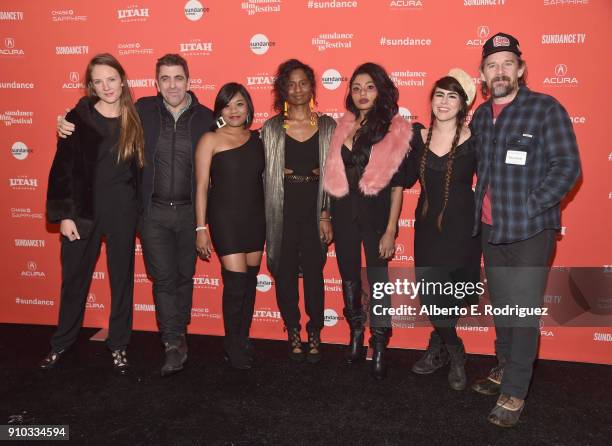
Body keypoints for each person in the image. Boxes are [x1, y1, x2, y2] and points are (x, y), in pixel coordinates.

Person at [56, 54, 214, 377]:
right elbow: (94, 112)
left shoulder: (206, 118)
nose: (172, 85)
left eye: (178, 78)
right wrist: (67, 120)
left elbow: (232, 135)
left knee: (183, 278)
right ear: (156, 83)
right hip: (152, 212)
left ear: (189, 80)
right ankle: (171, 342)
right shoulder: (142, 110)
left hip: (187, 213)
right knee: (164, 280)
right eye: (165, 79)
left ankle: (176, 334)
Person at [470, 32, 581, 427]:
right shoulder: (481, 116)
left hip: (531, 230)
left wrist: (531, 206)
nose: (499, 71)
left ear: (520, 68)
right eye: (491, 65)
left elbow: (568, 166)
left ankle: (515, 390)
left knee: (521, 310)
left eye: (506, 64)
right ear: (482, 74)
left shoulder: (545, 108)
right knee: (502, 308)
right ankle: (504, 367)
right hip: (490, 229)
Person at [41, 53, 144, 374]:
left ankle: (119, 345)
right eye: (98, 82)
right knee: (74, 280)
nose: (106, 87)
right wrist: (65, 215)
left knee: (122, 281)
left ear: (122, 79)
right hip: (83, 213)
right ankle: (61, 343)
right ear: (90, 86)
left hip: (123, 211)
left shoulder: (137, 117)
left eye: (111, 79)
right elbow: (63, 171)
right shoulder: (77, 118)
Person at [323, 62, 411, 380]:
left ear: (381, 90)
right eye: (356, 87)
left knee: (377, 281)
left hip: (375, 217)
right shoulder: (342, 126)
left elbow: (398, 186)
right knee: (349, 277)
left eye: (369, 87)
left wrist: (390, 230)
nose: (362, 93)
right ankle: (356, 335)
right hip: (344, 214)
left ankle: (380, 344)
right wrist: (326, 215)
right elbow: (332, 175)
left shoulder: (393, 129)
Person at [404, 69, 481, 391]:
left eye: (452, 96)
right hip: (427, 227)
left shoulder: (475, 139)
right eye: (439, 94)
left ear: (463, 103)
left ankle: (442, 346)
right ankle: (455, 349)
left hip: (463, 226)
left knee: (452, 293)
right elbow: (404, 179)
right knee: (432, 292)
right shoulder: (417, 136)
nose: (444, 102)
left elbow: (493, 180)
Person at [261, 60, 335, 363]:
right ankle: (292, 329)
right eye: (290, 84)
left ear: (312, 86)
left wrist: (326, 213)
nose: (297, 89)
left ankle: (315, 330)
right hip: (282, 212)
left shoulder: (328, 126)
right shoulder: (272, 128)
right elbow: (261, 172)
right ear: (283, 90)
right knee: (285, 274)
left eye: (303, 82)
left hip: (314, 209)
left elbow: (334, 174)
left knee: (316, 276)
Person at [195, 83, 265, 370]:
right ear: (219, 109)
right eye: (227, 105)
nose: (234, 111)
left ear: (248, 107)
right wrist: (201, 228)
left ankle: (242, 338)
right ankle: (232, 345)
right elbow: (201, 187)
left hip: (255, 218)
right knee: (235, 285)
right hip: (225, 219)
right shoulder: (210, 139)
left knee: (249, 283)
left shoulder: (259, 139)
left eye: (239, 104)